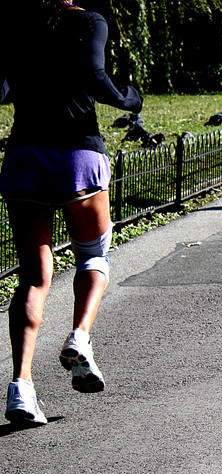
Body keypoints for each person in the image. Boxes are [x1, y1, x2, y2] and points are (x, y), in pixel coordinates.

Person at [0, 0, 143, 426]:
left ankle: (20, 388)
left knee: (32, 276)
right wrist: (129, 99)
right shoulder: (88, 21)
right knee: (93, 254)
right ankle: (80, 337)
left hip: (25, 157)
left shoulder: (15, 21)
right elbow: (95, 79)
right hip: (77, 156)